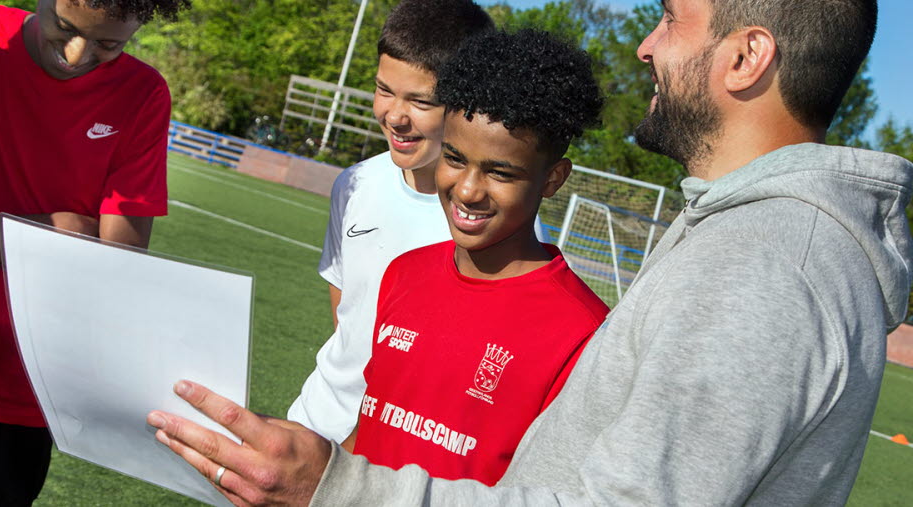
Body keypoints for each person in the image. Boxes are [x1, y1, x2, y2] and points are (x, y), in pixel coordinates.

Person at [148, 0, 913, 504]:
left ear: (747, 57)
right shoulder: (753, 238)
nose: (646, 47)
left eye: (672, 19)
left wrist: (338, 488)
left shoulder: (767, 267)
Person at [0, 0, 188, 503]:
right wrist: (44, 233)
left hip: (23, 406)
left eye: (110, 44)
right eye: (63, 27)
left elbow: (114, 267)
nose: (78, 54)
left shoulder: (143, 94)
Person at [334, 28, 607, 487]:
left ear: (553, 179)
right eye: (455, 158)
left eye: (500, 172)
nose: (466, 190)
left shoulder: (584, 336)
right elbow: (370, 428)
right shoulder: (405, 273)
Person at [286, 0, 497, 443]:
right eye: (385, 90)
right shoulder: (354, 183)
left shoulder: (495, 224)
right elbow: (347, 318)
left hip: (392, 453)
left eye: (420, 101)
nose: (395, 116)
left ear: (467, 103)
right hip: (313, 424)